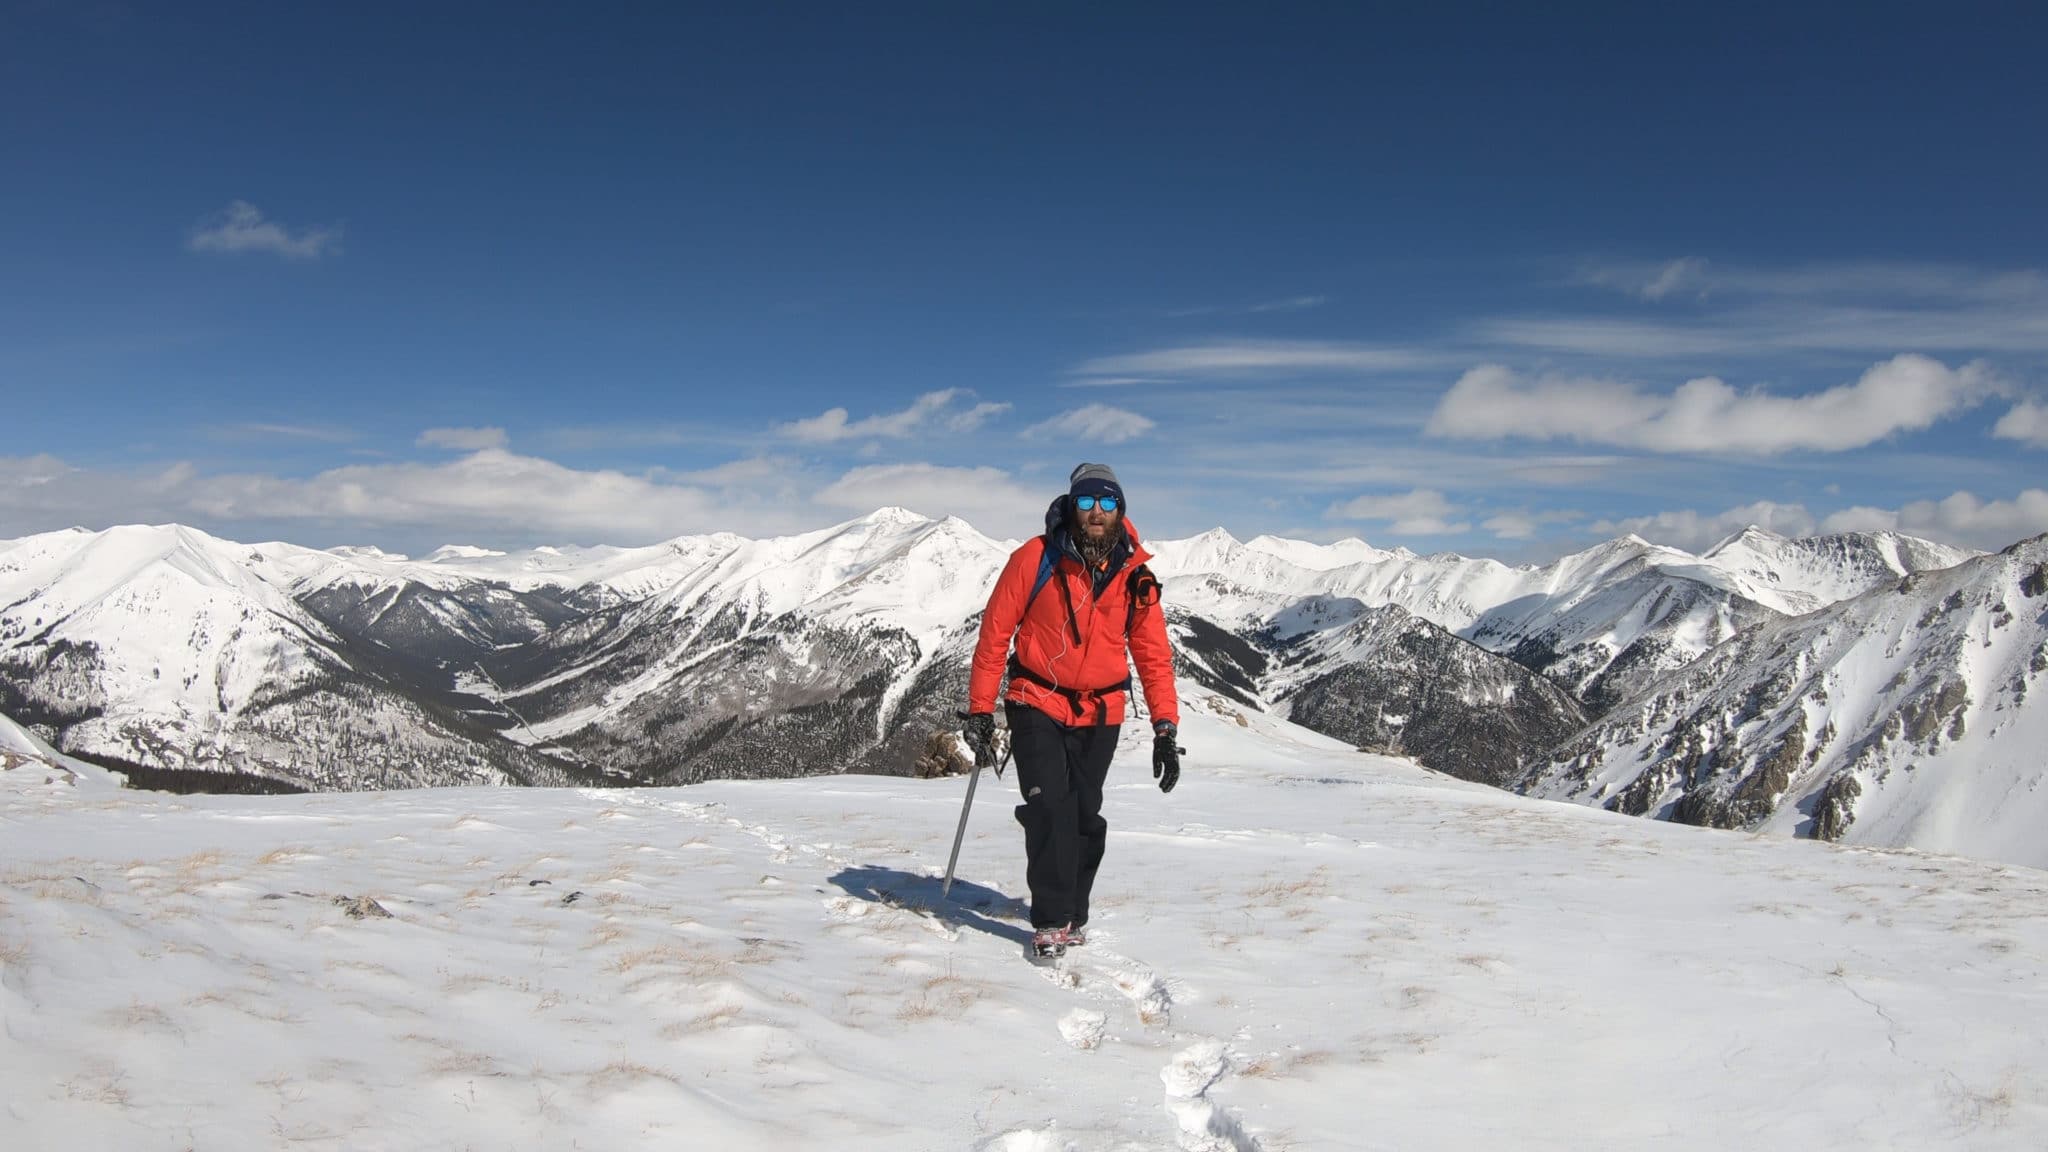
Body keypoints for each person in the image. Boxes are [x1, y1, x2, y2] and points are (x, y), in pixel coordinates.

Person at [959, 463, 1182, 960]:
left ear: (1120, 511)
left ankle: (1075, 912)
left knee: (1084, 815)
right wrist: (981, 708)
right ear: (1071, 507)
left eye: (1106, 503)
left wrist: (1166, 727)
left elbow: (1152, 654)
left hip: (1101, 711)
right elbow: (995, 634)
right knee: (1049, 807)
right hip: (1035, 698)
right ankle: (1051, 919)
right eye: (1086, 503)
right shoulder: (1033, 559)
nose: (1096, 513)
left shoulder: (1135, 574)